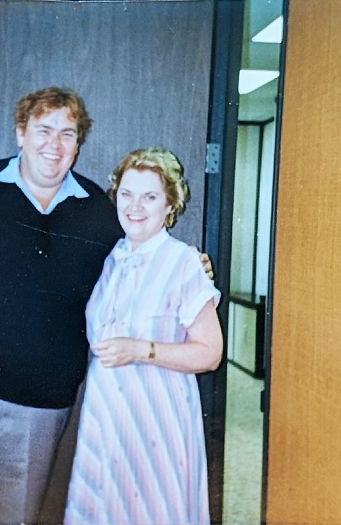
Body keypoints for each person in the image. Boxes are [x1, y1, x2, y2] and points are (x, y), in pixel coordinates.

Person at [0, 87, 212, 524]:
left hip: (38, 412)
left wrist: (193, 264)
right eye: (43, 130)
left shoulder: (98, 211)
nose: (54, 145)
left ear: (78, 144)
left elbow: (142, 249)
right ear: (20, 133)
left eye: (67, 133)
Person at [64, 148, 223, 525]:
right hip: (106, 417)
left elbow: (210, 353)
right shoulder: (111, 257)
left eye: (150, 196)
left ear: (170, 204)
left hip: (156, 419)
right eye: (127, 194)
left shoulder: (183, 262)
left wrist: (141, 350)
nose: (135, 206)